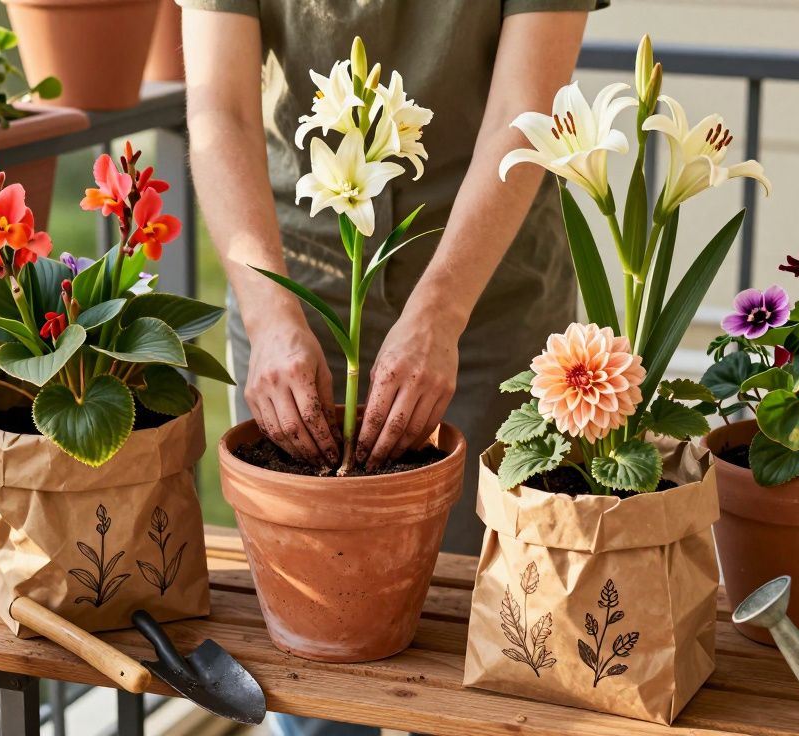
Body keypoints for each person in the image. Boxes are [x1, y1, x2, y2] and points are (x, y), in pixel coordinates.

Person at [180, 1, 606, 733]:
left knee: (493, 654)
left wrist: (441, 312)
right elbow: (220, 109)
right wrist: (269, 313)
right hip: (293, 291)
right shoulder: (280, 309)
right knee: (319, 683)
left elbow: (524, 109)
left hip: (492, 300)